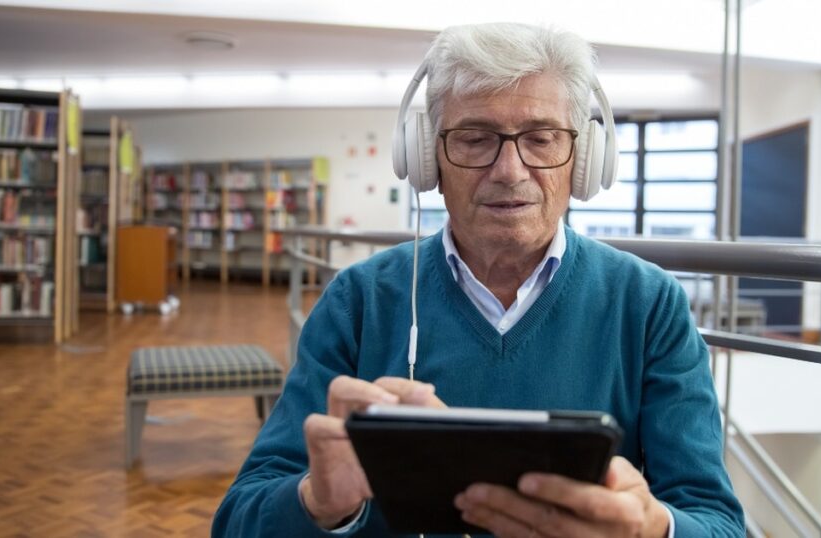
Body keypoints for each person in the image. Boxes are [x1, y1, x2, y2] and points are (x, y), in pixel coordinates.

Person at [213, 22, 744, 537]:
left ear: (583, 159)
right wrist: (317, 503)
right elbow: (238, 520)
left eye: (540, 138)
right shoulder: (359, 301)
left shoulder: (648, 305)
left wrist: (652, 531)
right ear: (428, 159)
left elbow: (717, 523)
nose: (510, 170)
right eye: (474, 138)